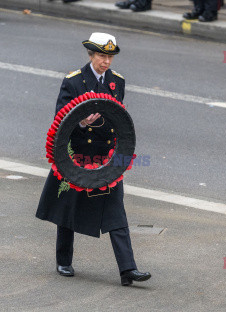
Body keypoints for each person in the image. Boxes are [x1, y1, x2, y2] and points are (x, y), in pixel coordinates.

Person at [36, 32, 151, 286]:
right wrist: (80, 120)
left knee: (116, 212)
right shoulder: (74, 81)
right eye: (102, 55)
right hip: (76, 156)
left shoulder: (117, 82)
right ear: (90, 55)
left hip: (105, 159)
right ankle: (64, 261)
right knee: (67, 209)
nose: (106, 62)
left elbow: (119, 119)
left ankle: (128, 270)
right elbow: (59, 120)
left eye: (110, 56)